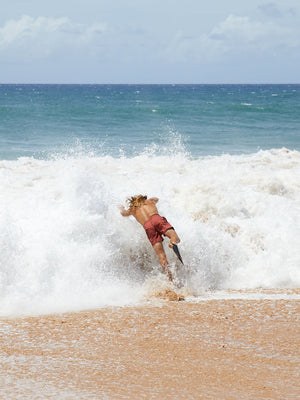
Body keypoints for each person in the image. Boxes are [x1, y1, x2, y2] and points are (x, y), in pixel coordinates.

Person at [120, 195, 180, 281]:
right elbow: (157, 199)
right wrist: (149, 199)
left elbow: (123, 213)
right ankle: (173, 242)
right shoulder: (149, 201)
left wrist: (122, 208)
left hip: (148, 226)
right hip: (156, 219)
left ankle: (170, 279)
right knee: (175, 237)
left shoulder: (132, 210)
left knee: (161, 256)